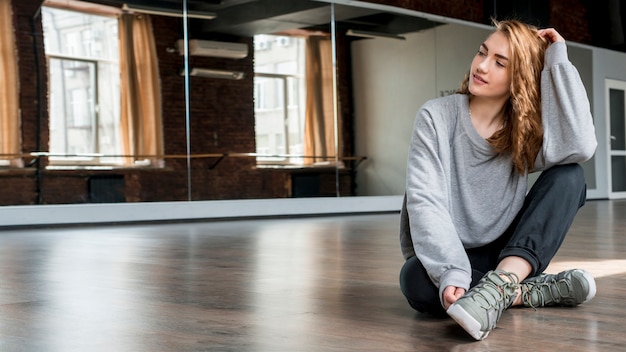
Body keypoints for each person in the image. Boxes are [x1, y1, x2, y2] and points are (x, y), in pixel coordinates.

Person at [398, 19, 598, 341]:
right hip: (453, 251)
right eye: (482, 52)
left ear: (519, 78)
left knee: (570, 176)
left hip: (508, 253)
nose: (481, 66)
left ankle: (501, 285)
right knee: (416, 280)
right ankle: (526, 291)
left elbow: (581, 146)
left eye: (499, 62)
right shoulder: (436, 117)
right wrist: (452, 270)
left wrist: (557, 59)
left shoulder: (524, 134)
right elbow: (426, 202)